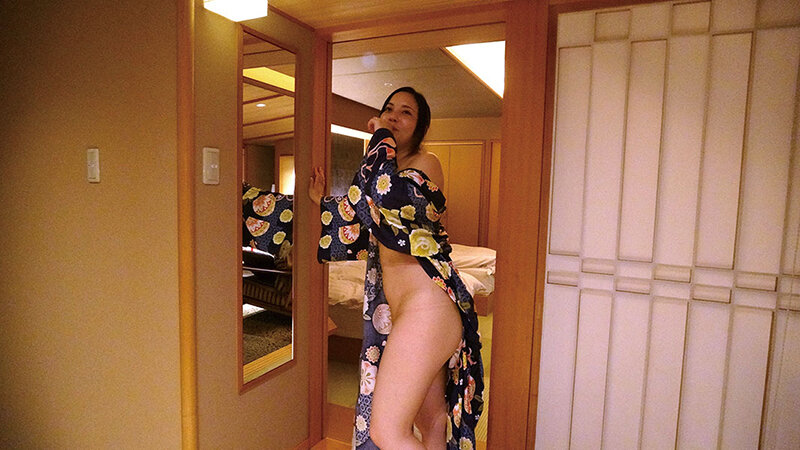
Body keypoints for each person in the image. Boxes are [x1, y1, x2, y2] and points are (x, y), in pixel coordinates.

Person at [309, 87, 483, 450]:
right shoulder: (381, 172)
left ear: (420, 128)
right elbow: (360, 217)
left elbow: (391, 198)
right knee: (430, 420)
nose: (393, 115)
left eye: (406, 112)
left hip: (428, 309)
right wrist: (320, 202)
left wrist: (380, 138)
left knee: (386, 431)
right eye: (389, 108)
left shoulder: (426, 164)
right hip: (412, 313)